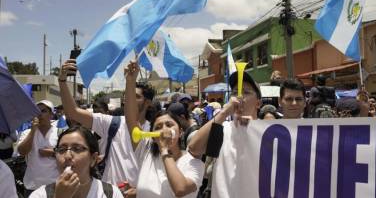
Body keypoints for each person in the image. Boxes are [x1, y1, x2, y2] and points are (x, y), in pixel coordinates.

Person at [59, 59, 155, 197]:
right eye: (127, 95)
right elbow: (72, 112)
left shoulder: (154, 131)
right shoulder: (112, 123)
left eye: (136, 96)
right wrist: (62, 82)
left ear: (148, 103)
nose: (128, 99)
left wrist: (139, 191)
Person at [124, 61, 204, 198]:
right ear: (153, 135)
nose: (163, 129)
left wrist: (164, 150)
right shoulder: (146, 152)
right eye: (158, 127)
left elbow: (180, 189)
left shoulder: (193, 162)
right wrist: (130, 81)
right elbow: (132, 120)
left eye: (169, 124)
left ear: (181, 132)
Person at [188, 71, 262, 198]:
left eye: (246, 92)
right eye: (235, 92)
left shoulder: (267, 133)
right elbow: (194, 149)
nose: (239, 96)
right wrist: (224, 113)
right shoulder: (222, 130)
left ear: (258, 103)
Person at [29, 126, 123, 198]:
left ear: (93, 158)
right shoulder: (40, 195)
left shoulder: (111, 193)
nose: (67, 156)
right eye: (62, 149)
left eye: (77, 149)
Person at [17, 100, 60, 196]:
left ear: (51, 115)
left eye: (43, 111)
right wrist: (33, 131)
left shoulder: (59, 133)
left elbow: (67, 155)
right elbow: (22, 151)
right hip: (32, 186)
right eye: (36, 111)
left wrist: (53, 152)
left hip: (54, 185)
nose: (39, 114)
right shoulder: (27, 133)